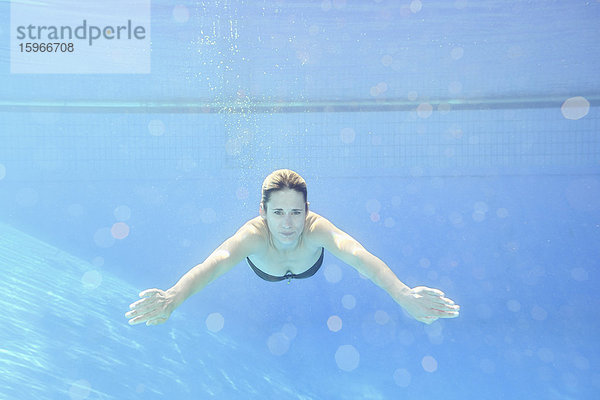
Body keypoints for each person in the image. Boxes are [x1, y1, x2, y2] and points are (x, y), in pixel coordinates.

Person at [125, 169, 460, 326]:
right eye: (278, 213)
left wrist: (402, 294)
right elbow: (213, 265)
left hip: (302, 265)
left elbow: (361, 259)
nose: (287, 224)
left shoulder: (317, 230)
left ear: (308, 210)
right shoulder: (252, 236)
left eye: (296, 213)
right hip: (268, 270)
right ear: (263, 212)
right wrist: (173, 297)